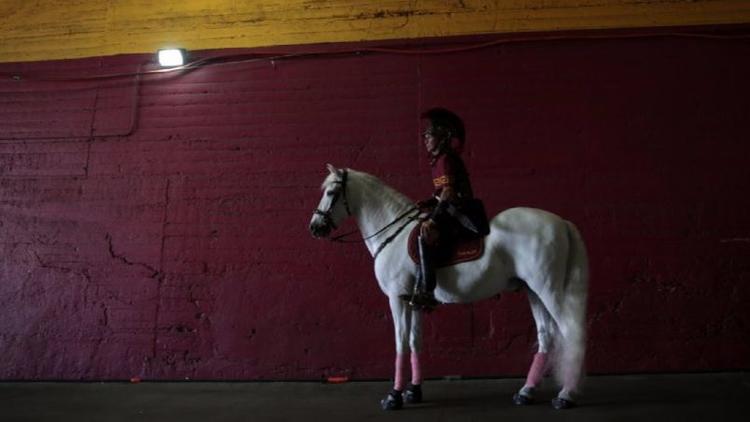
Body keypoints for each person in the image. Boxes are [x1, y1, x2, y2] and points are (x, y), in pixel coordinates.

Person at [405, 108, 488, 311]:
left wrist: (433, 219)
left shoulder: (446, 159)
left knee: (424, 235)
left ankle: (427, 291)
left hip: (462, 211)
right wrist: (425, 203)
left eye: (429, 135)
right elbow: (440, 193)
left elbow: (449, 193)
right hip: (451, 207)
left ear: (441, 137)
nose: (425, 139)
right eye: (424, 135)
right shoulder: (437, 161)